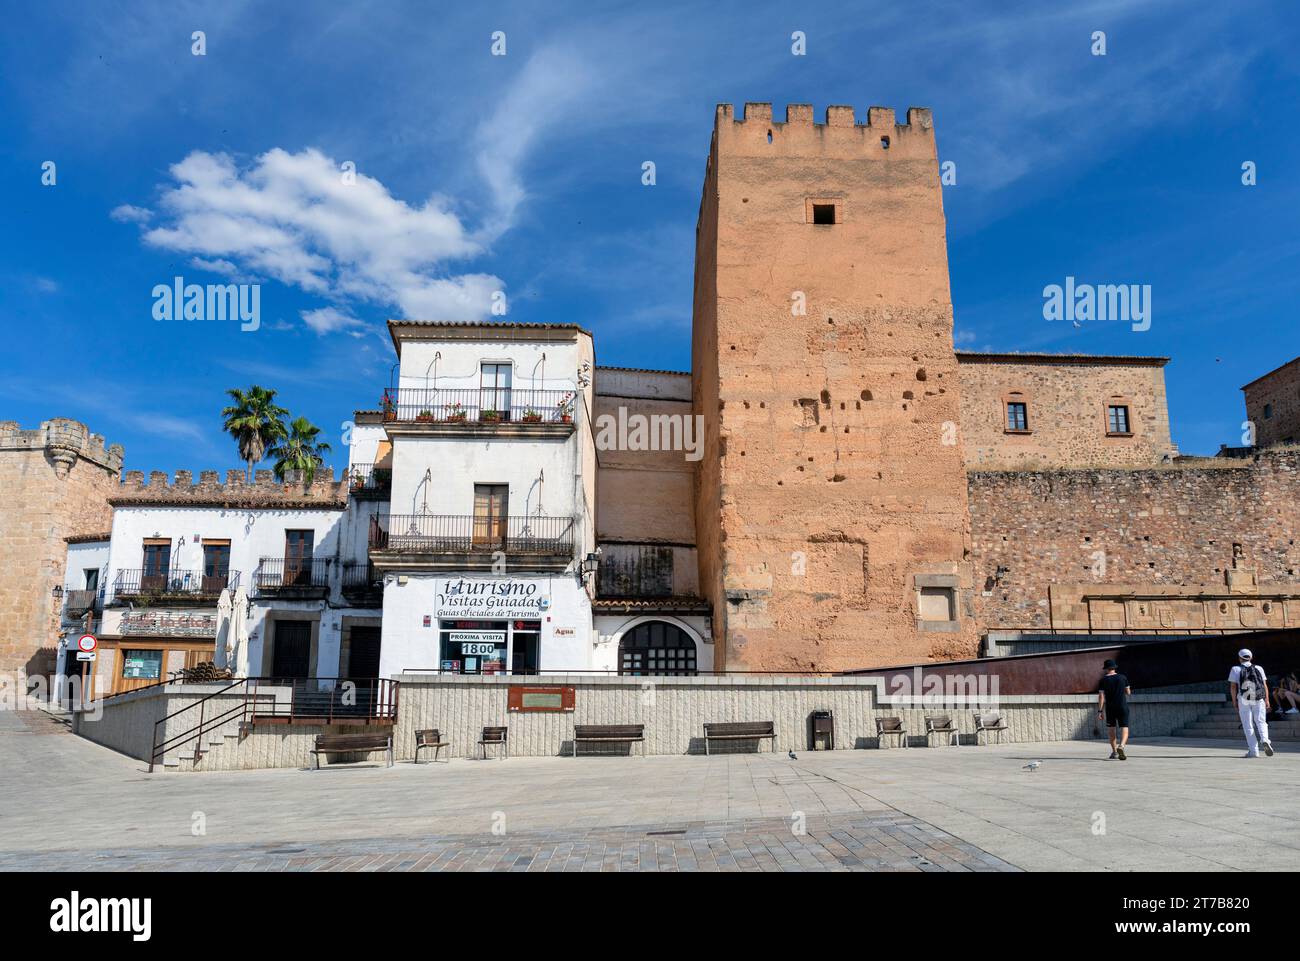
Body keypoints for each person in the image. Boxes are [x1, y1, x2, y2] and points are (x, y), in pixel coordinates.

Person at [1229, 648, 1273, 758]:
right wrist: (1267, 699)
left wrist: (1234, 701)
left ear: (1239, 658)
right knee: (1261, 721)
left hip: (1244, 699)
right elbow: (1264, 685)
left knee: (1248, 724)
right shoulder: (1259, 668)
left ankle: (1253, 751)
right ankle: (1265, 740)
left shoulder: (1235, 669)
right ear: (1251, 657)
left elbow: (1233, 687)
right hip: (1258, 698)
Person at [1097, 659, 1131, 760]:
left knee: (1111, 729)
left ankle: (1114, 752)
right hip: (1122, 706)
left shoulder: (1103, 680)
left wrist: (1100, 711)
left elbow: (1101, 696)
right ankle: (1122, 746)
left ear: (1106, 669)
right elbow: (1128, 692)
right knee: (1124, 727)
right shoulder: (1122, 677)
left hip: (1110, 708)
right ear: (1115, 667)